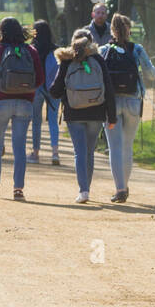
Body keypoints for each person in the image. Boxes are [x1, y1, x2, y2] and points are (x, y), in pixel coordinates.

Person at [49, 27, 117, 203]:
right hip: (97, 112)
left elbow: (55, 90)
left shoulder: (66, 60)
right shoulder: (98, 59)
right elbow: (108, 88)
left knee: (79, 152)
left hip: (74, 113)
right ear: (91, 42)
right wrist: (112, 116)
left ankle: (83, 190)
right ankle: (87, 186)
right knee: (89, 152)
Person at [0, 17, 44, 199]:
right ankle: (18, 188)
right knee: (19, 147)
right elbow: (39, 79)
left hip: (0, 101)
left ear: (1, 31)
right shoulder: (31, 51)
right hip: (25, 103)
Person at [100, 13, 155, 202]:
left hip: (111, 103)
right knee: (127, 146)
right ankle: (125, 185)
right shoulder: (137, 49)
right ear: (129, 30)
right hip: (133, 101)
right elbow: (151, 75)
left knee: (114, 147)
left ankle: (120, 189)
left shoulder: (104, 50)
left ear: (112, 30)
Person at [29, 20, 61, 166]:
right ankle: (55, 153)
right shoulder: (56, 50)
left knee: (36, 121)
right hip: (53, 89)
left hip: (36, 88)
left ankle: (35, 153)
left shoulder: (31, 49)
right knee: (53, 121)